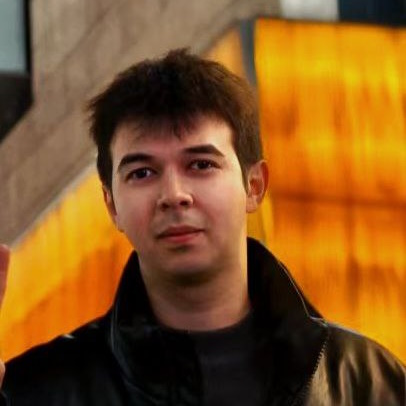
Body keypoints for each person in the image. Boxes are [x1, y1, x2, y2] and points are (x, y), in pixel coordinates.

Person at [0, 49, 404, 405]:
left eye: (200, 164)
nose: (174, 195)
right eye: (142, 173)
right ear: (111, 205)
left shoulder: (368, 383)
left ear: (254, 185)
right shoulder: (35, 392)